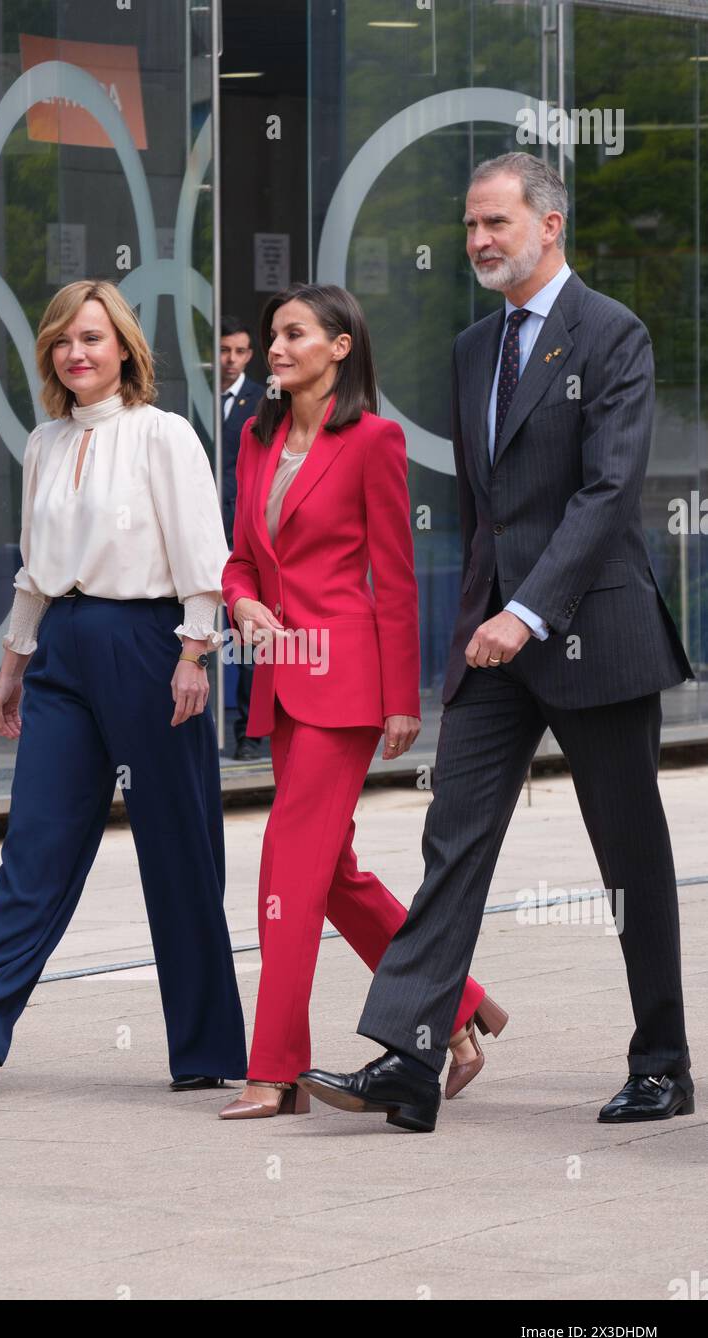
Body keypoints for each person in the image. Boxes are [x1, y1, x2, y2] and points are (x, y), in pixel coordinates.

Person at [300, 153, 695, 1133]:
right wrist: (480, 620)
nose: (477, 240)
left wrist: (529, 610)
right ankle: (410, 1056)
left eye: (494, 223)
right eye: (469, 225)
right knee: (452, 838)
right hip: (492, 645)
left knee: (626, 856)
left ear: (547, 224)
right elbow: (483, 514)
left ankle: (661, 1061)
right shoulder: (475, 347)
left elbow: (607, 494)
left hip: (588, 631)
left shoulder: (611, 334)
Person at [0, 279, 247, 1095]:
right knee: (36, 843)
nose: (76, 352)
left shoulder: (163, 435)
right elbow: (34, 570)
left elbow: (205, 557)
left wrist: (194, 655)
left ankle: (206, 1051)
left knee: (178, 847)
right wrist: (13, 666)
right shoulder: (47, 443)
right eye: (62, 340)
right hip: (64, 648)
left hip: (148, 645)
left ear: (124, 347)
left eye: (92, 337)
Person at [217, 282, 505, 1120]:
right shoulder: (255, 439)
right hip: (278, 679)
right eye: (272, 335)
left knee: (289, 873)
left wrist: (401, 698)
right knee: (331, 874)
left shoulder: (373, 440)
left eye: (295, 334)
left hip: (344, 685)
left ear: (340, 346)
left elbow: (395, 577)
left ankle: (276, 1071)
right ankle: (453, 1004)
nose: (276, 347)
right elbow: (239, 559)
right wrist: (242, 603)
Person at [219, 316, 265, 760]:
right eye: (223, 350)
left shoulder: (263, 401)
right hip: (196, 529)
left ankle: (249, 735)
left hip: (239, 531)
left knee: (246, 633)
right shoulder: (192, 402)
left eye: (239, 352)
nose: (230, 360)